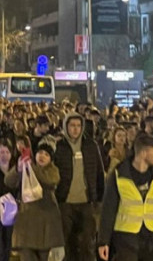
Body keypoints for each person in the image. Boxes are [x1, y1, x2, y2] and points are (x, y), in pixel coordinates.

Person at [98, 133, 153, 261]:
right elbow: (108, 210)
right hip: (126, 239)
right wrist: (103, 241)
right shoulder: (119, 175)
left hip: (152, 240)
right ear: (143, 153)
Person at [54, 112, 104, 261]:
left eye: (78, 126)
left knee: (87, 243)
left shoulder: (90, 145)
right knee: (67, 244)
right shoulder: (59, 146)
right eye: (72, 126)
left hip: (87, 202)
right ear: (65, 127)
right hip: (65, 202)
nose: (75, 129)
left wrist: (99, 198)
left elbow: (99, 172)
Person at [4, 141, 63, 261]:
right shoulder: (25, 167)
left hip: (46, 223)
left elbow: (49, 181)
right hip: (26, 223)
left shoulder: (53, 170)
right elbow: (8, 181)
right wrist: (18, 168)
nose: (42, 156)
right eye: (40, 152)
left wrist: (32, 166)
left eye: (46, 154)